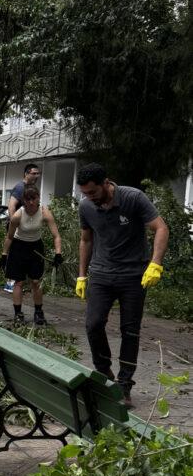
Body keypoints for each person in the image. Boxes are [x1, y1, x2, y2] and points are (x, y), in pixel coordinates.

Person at [76, 163, 169, 408]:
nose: (90, 198)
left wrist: (155, 263)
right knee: (93, 324)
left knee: (130, 331)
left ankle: (125, 385)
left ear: (106, 183)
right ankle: (104, 373)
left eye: (93, 192)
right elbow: (86, 239)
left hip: (133, 276)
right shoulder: (86, 206)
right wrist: (81, 275)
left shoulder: (133, 198)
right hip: (101, 275)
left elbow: (160, 227)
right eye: (85, 194)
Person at [0, 185, 62, 326]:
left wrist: (58, 253)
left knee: (36, 281)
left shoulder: (45, 212)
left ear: (38, 198)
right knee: (19, 282)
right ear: (24, 200)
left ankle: (39, 313)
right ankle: (18, 314)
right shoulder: (17, 215)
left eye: (34, 198)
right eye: (28, 199)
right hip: (18, 247)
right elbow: (9, 237)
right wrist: (4, 255)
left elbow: (56, 235)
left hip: (35, 248)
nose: (31, 202)